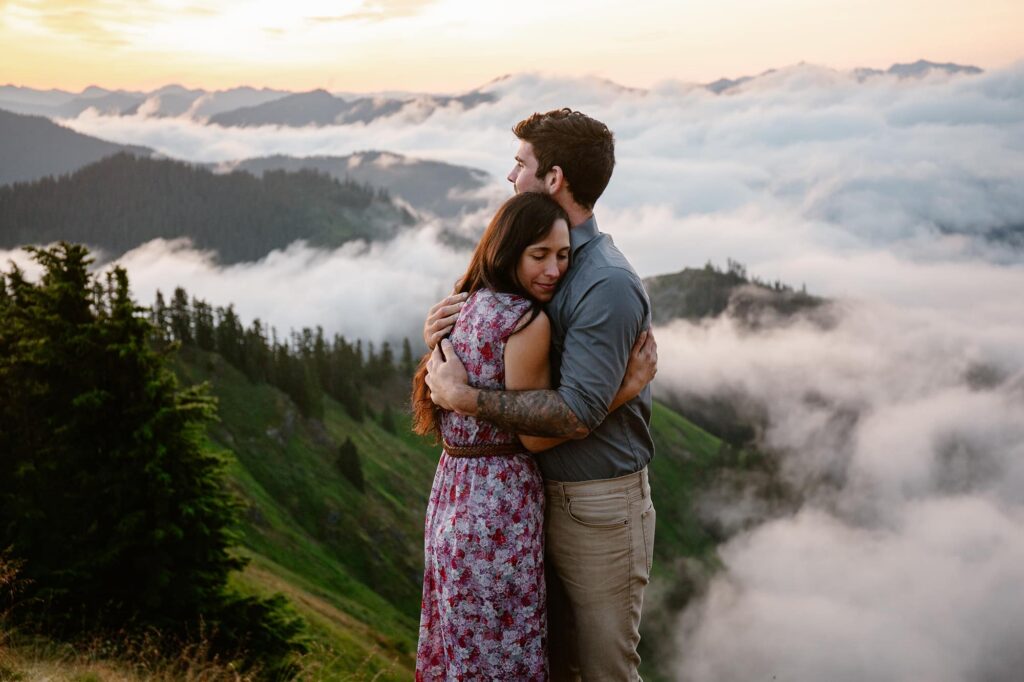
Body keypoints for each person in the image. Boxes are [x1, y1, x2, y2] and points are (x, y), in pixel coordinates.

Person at [424, 108, 657, 681]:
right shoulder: (535, 254)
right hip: (526, 497)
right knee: (546, 665)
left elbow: (575, 410)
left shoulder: (604, 282)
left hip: (596, 502)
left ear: (553, 178)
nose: (511, 177)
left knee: (603, 666)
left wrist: (467, 398)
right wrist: (440, 336)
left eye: (520, 164)